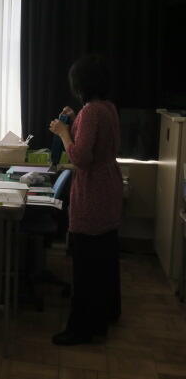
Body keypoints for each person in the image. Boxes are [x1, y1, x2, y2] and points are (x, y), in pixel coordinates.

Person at [48, 54, 122, 346]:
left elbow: (80, 157)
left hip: (92, 191)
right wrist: (75, 117)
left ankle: (81, 328)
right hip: (109, 186)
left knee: (85, 263)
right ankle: (105, 315)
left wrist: (63, 132)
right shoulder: (106, 108)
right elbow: (96, 140)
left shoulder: (91, 112)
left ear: (80, 84)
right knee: (104, 258)